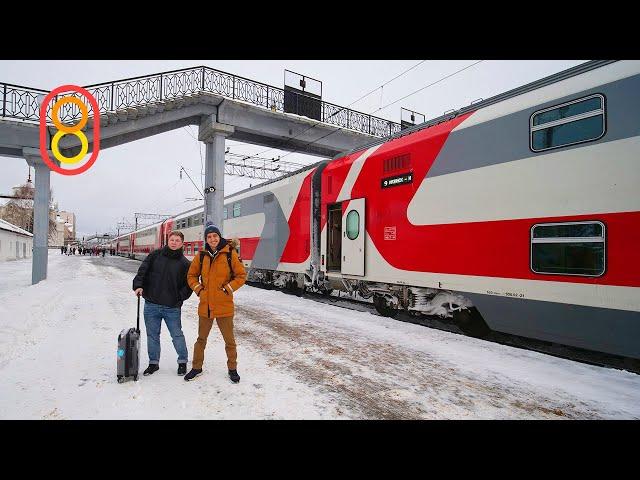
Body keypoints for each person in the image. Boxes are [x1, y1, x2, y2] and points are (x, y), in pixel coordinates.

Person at [184, 222, 246, 383]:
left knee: (229, 341)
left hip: (224, 305)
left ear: (219, 237)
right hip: (206, 306)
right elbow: (191, 276)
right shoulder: (202, 255)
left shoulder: (229, 253)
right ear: (206, 239)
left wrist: (228, 289)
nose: (212, 239)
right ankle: (196, 367)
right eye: (209, 237)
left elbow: (241, 276)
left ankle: (232, 369)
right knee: (201, 339)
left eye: (215, 236)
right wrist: (199, 290)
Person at [132, 231, 193, 376]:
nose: (174, 242)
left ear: (182, 243)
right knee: (153, 335)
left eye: (177, 240)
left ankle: (182, 361)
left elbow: (189, 285)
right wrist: (138, 285)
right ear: (168, 241)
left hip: (172, 307)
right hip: (151, 304)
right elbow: (143, 270)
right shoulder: (155, 255)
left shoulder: (185, 264)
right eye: (172, 239)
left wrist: (179, 297)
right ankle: (153, 363)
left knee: (177, 335)